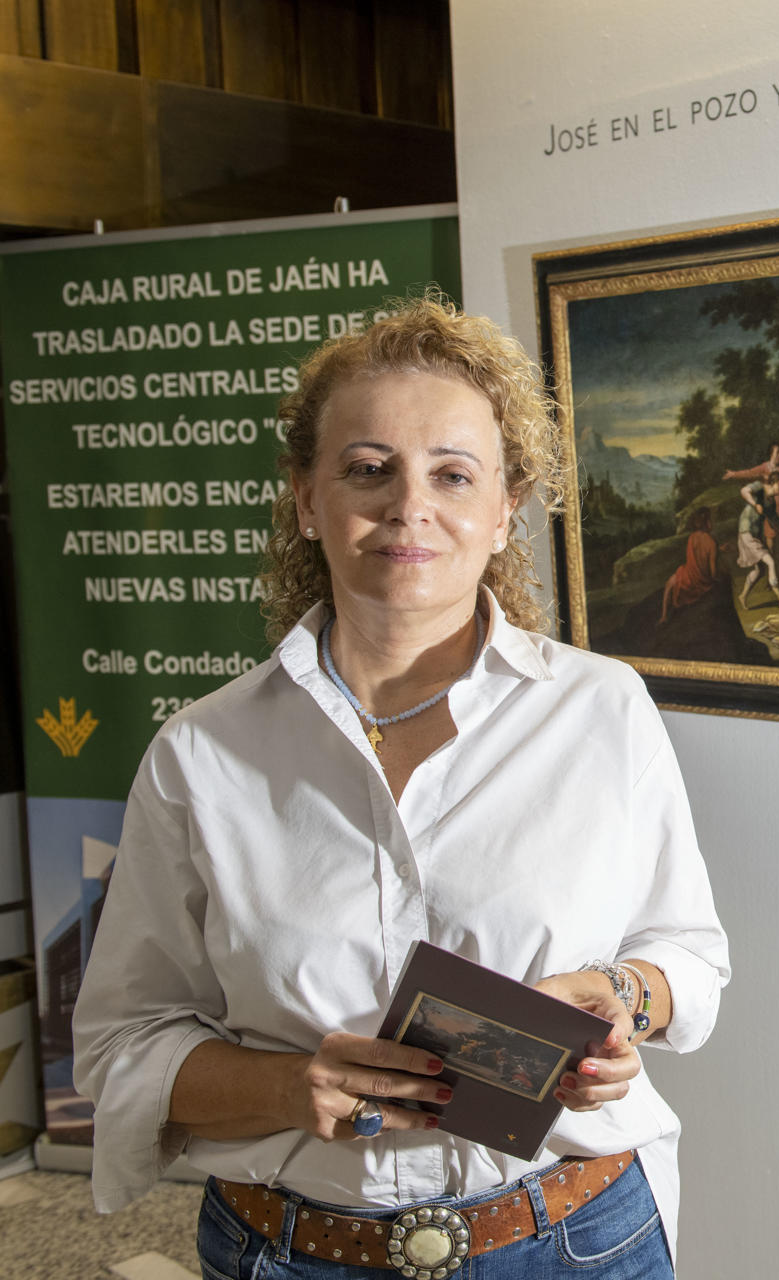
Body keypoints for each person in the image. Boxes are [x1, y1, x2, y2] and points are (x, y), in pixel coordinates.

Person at [70, 299, 730, 1277]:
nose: (409, 504)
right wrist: (291, 1085)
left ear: (506, 505)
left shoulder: (602, 708)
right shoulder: (201, 753)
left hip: (574, 1239)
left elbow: (689, 954)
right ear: (305, 496)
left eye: (452, 472)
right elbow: (122, 1048)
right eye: (368, 468)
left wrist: (624, 1001)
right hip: (295, 1251)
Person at [736, 468, 779, 610]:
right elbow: (744, 491)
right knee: (770, 562)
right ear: (775, 482)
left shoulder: (771, 502)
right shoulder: (759, 487)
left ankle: (742, 596)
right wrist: (755, 504)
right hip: (746, 530)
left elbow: (775, 522)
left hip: (755, 534)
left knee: (760, 570)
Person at [660, 504, 719, 624]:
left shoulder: (692, 538)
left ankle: (664, 616)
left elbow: (694, 559)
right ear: (707, 522)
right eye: (710, 520)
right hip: (702, 581)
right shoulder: (711, 542)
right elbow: (712, 573)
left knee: (669, 584)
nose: (711, 523)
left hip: (688, 576)